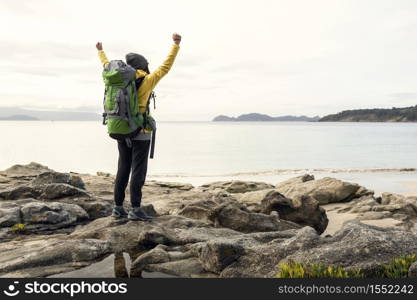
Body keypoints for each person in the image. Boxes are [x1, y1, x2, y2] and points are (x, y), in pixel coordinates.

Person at [96, 33, 181, 221]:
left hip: (120, 128)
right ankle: (135, 208)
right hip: (140, 131)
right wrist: (176, 45)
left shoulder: (118, 78)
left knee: (123, 168)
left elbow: (105, 64)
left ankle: (117, 208)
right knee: (138, 171)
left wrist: (101, 51)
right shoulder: (147, 80)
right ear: (143, 66)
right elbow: (165, 67)